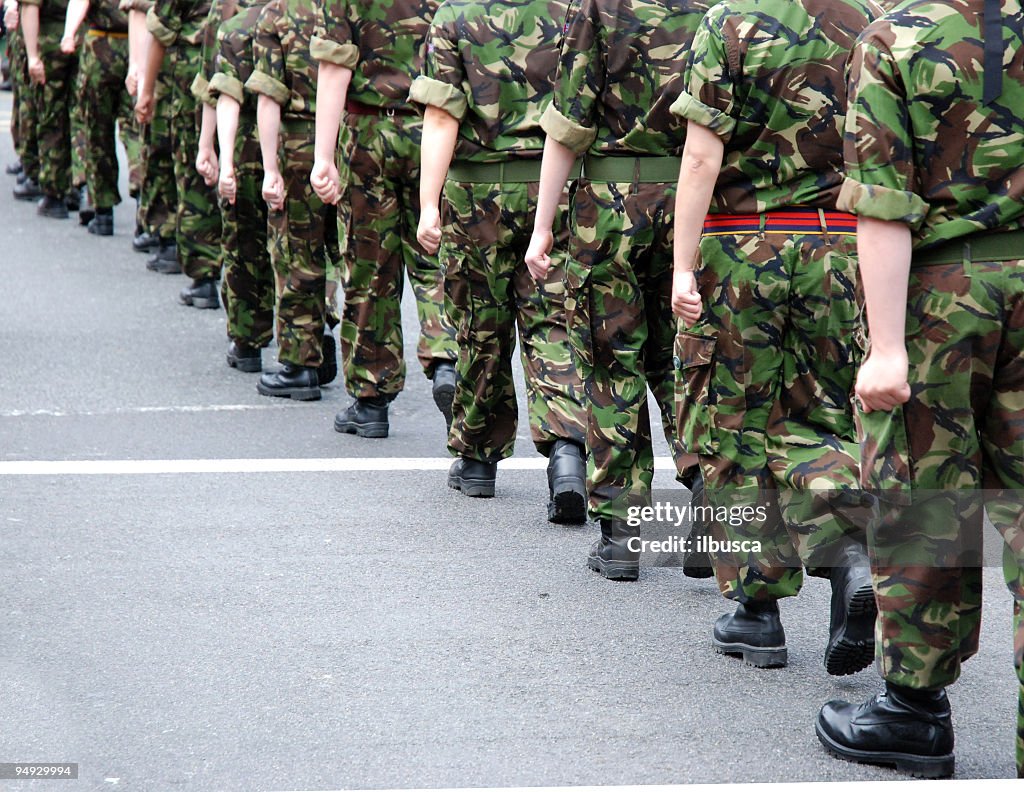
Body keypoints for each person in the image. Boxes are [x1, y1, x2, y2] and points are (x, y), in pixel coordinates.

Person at [815, 0, 1024, 778]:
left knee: (928, 495)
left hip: (944, 291)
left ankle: (913, 709)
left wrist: (888, 347)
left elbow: (883, 201)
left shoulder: (895, 36)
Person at [669, 0, 880, 672]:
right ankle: (849, 555)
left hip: (745, 246)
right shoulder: (868, 21)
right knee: (823, 419)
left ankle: (757, 610)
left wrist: (680, 264)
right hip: (842, 249)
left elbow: (702, 157)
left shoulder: (729, 22)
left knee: (738, 427)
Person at [525, 0, 706, 580]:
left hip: (609, 208)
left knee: (612, 362)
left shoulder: (603, 6)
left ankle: (623, 535)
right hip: (697, 199)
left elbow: (569, 122)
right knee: (687, 358)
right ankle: (707, 490)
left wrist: (542, 224)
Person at [410, 0, 587, 519]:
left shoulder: (455, 17)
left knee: (479, 324)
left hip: (476, 193)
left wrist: (427, 203)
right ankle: (567, 454)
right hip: (553, 185)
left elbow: (442, 116)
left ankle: (478, 458)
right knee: (552, 322)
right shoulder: (571, 12)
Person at [310, 0, 459, 440]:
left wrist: (323, 157)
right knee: (436, 253)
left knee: (369, 264)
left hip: (368, 131)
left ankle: (372, 401)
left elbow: (335, 68)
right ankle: (446, 355)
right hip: (432, 128)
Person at [247, 0, 341, 399]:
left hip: (300, 143)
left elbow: (269, 97)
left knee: (297, 253)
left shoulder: (278, 13)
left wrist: (270, 169)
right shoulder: (346, 9)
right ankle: (343, 339)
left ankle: (301, 362)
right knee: (355, 253)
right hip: (353, 137)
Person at [195, 0, 278, 373]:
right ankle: (313, 335)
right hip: (299, 142)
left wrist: (214, 153)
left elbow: (223, 97)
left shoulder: (235, 27)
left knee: (245, 244)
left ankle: (248, 341)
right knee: (304, 248)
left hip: (247, 143)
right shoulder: (308, 20)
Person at [135, 0, 222, 308]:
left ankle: (204, 274)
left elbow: (160, 31)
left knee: (196, 168)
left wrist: (146, 90)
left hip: (195, 74)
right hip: (251, 65)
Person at [60, 0, 144, 235]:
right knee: (134, 128)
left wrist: (69, 33)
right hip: (136, 45)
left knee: (97, 131)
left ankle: (103, 211)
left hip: (100, 45)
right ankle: (142, 199)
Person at [18, 0, 77, 217]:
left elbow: (31, 5)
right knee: (82, 118)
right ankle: (84, 188)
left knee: (52, 116)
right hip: (87, 37)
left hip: (51, 39)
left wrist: (32, 56)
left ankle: (55, 194)